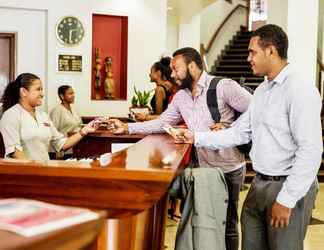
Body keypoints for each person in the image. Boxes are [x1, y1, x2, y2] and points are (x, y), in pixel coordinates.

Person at [178, 24, 322, 250]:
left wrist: (287, 199)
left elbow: (311, 150)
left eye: (252, 52)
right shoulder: (263, 91)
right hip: (259, 184)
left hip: (286, 184)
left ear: (271, 51)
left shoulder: (299, 89)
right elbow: (239, 132)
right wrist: (195, 137)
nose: (248, 58)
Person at [108, 47, 252, 250]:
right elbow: (162, 123)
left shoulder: (223, 86)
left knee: (227, 223)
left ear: (192, 66)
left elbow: (256, 110)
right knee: (204, 221)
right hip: (201, 167)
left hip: (227, 167)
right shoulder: (181, 97)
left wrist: (231, 127)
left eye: (176, 69)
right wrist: (126, 128)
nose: (172, 74)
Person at [0, 73, 100, 162]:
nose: (42, 94)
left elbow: (61, 144)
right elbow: (15, 152)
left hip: (43, 172)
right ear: (24, 92)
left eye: (42, 89)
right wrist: (34, 168)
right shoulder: (10, 115)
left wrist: (84, 131)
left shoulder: (43, 116)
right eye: (38, 89)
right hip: (22, 175)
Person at [135, 57, 175, 121]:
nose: (149, 74)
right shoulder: (168, 86)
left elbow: (159, 115)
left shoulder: (159, 89)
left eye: (151, 71)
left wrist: (145, 117)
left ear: (158, 72)